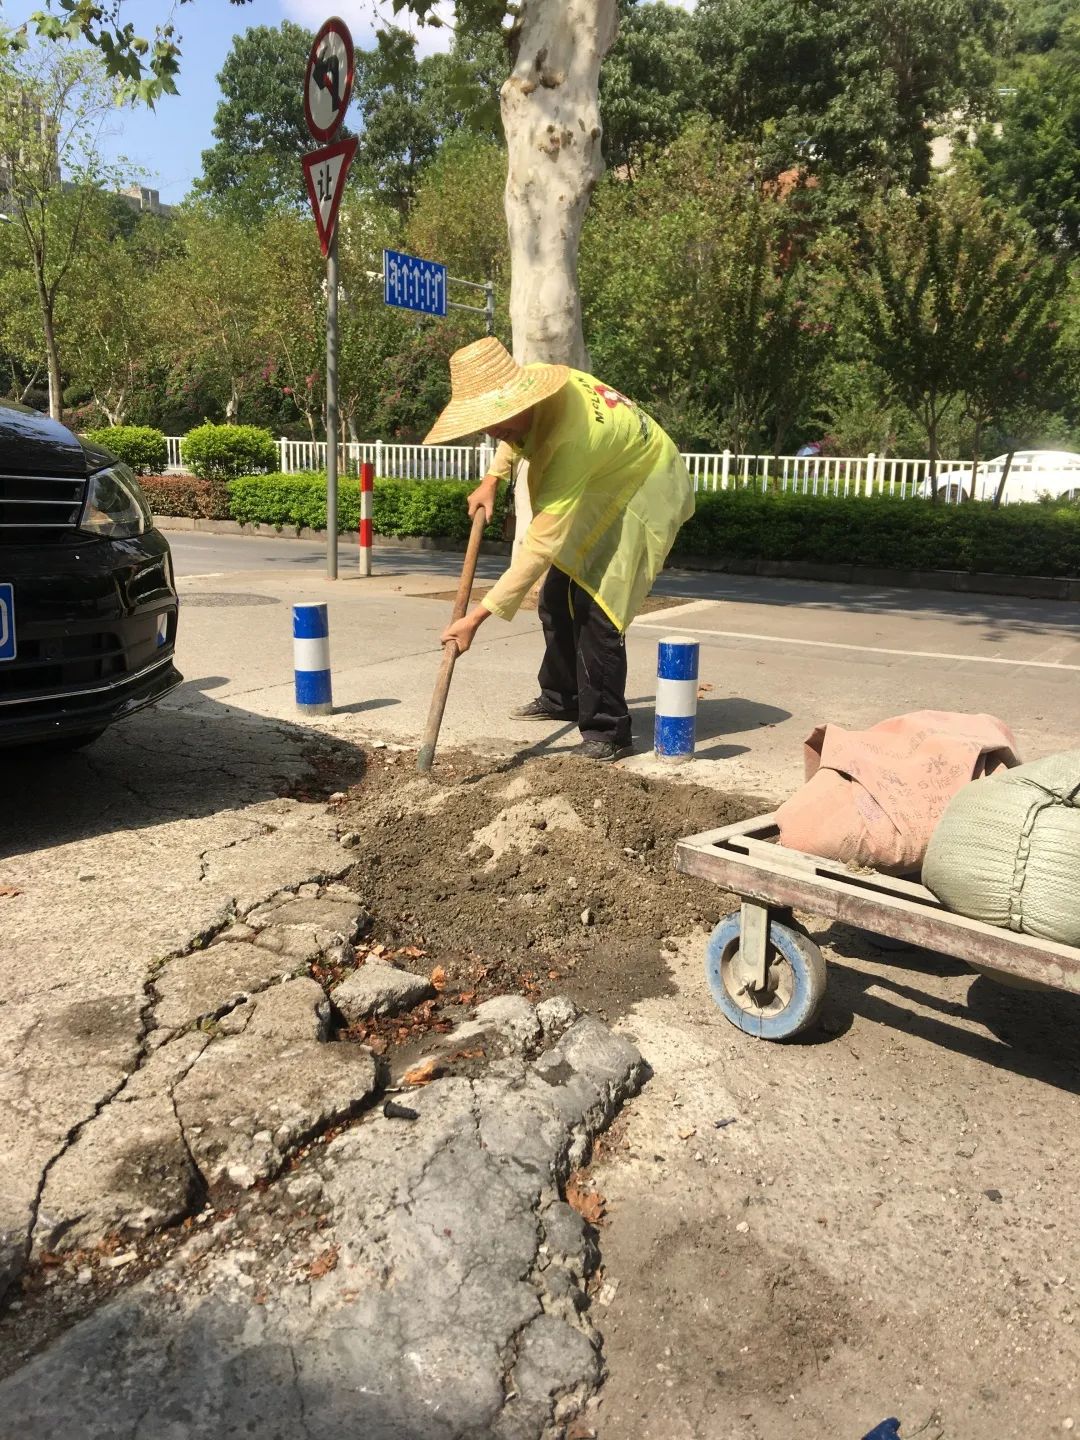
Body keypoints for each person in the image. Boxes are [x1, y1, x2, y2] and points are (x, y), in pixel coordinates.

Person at [424, 337, 695, 761]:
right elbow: (510, 433)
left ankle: (608, 731)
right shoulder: (528, 387)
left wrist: (475, 618)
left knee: (597, 607)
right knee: (554, 598)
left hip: (646, 486)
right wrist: (492, 479)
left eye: (496, 421)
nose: (492, 430)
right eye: (485, 422)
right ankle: (562, 697)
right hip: (605, 475)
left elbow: (540, 545)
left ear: (519, 402)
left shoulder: (569, 440)